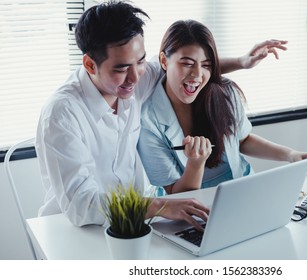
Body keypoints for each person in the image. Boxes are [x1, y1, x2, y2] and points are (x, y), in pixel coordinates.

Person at [35, 1, 287, 230]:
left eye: (141, 61)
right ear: (90, 64)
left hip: (137, 221)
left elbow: (186, 65)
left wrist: (243, 62)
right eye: (122, 68)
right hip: (76, 229)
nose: (135, 77)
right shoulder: (61, 115)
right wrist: (163, 206)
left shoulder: (135, 80)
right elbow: (83, 205)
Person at [138, 19, 307, 195]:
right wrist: (196, 163)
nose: (197, 75)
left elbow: (242, 140)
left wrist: (291, 155)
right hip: (189, 207)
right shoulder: (147, 120)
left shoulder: (225, 93)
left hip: (242, 191)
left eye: (206, 65)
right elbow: (175, 193)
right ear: (164, 61)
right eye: (187, 63)